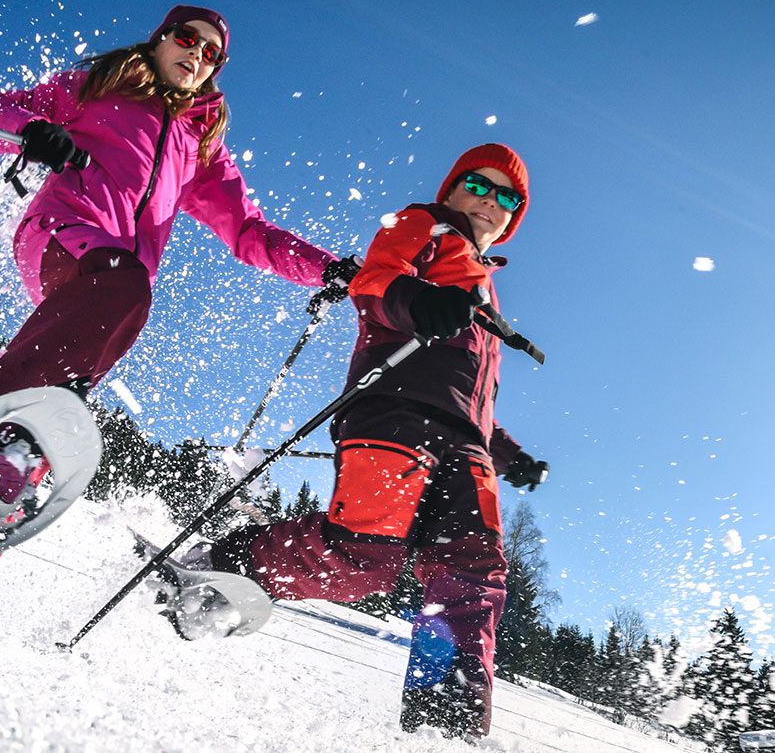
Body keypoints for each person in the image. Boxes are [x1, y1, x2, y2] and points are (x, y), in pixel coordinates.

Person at [0, 4, 345, 615]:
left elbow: (249, 232)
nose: (195, 55)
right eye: (186, 38)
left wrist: (327, 268)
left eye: (211, 54)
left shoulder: (201, 147)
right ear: (160, 38)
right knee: (126, 288)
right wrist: (36, 129)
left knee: (60, 410)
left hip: (110, 285)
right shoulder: (103, 84)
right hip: (64, 233)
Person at [200, 143, 550, 740]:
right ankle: (231, 560)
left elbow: (470, 395)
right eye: (479, 186)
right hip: (394, 415)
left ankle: (446, 723)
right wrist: (421, 301)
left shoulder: (485, 286)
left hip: (465, 443)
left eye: (506, 197)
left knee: (474, 570)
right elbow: (375, 281)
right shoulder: (425, 224)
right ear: (452, 187)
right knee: (366, 556)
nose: (490, 203)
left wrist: (511, 455)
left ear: (514, 217)